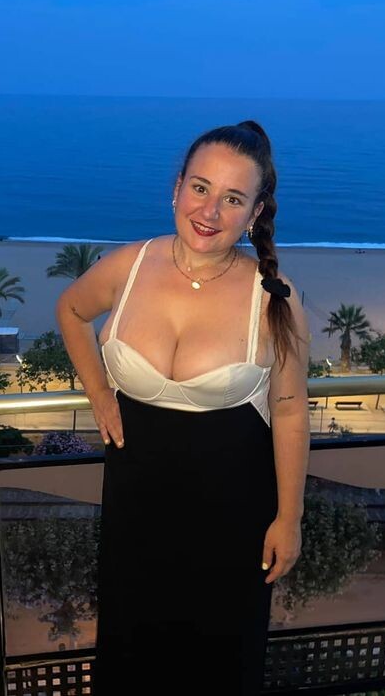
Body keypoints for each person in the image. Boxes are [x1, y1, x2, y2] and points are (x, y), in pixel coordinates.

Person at [56, 121, 311, 695]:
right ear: (176, 188)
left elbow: (291, 413)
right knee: (132, 653)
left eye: (233, 199)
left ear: (255, 213)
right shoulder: (129, 266)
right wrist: (99, 392)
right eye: (200, 188)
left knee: (218, 664)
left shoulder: (273, 298)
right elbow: (70, 311)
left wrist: (289, 519)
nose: (209, 211)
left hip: (233, 521)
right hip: (135, 509)